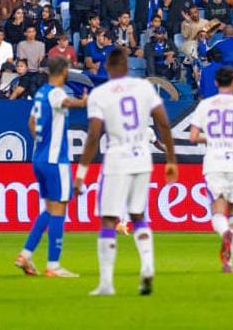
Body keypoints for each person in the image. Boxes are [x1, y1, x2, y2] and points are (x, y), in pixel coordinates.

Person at [74, 47, 178, 296]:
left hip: (117, 160)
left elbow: (93, 135)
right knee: (138, 215)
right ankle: (148, 266)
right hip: (142, 159)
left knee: (109, 219)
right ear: (127, 66)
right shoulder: (143, 88)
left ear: (107, 68)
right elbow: (163, 123)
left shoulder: (100, 94)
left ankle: (106, 283)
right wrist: (171, 159)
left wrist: (80, 173)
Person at [15, 58, 89, 278]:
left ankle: (25, 254)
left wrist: (41, 142)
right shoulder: (56, 92)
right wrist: (82, 103)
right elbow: (65, 101)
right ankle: (53, 265)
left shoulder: (40, 93)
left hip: (39, 158)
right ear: (64, 72)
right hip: (56, 160)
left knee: (49, 208)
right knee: (59, 208)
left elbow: (31, 122)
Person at [189, 65, 233, 273]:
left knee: (218, 211)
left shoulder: (205, 105)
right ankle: (228, 263)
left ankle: (224, 233)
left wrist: (212, 137)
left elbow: (193, 136)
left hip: (214, 162)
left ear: (215, 82)